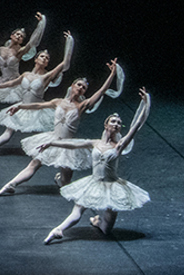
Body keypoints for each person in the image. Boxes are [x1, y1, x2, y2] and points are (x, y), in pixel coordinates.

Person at [0, 59, 123, 195]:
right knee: (34, 164)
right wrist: (20, 106)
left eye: (84, 88)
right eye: (79, 85)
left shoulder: (81, 106)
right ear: (72, 86)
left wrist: (112, 74)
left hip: (67, 145)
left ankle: (60, 180)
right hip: (52, 138)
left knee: (65, 182)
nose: (80, 88)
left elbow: (101, 91)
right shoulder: (58, 102)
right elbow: (38, 105)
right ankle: (11, 185)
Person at [42, 88, 151, 244]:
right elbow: (74, 144)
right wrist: (52, 143)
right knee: (77, 211)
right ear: (106, 125)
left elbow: (136, 126)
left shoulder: (119, 146)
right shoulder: (96, 143)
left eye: (119, 123)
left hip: (112, 186)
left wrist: (145, 104)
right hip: (93, 183)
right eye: (113, 121)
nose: (116, 124)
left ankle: (97, 221)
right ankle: (58, 229)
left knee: (106, 230)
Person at [0, 32, 73, 157]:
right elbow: (12, 83)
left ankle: (56, 151)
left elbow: (65, 63)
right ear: (36, 59)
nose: (44, 58)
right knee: (8, 132)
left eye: (47, 58)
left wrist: (69, 43)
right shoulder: (26, 74)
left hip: (37, 108)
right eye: (42, 56)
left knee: (46, 133)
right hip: (22, 107)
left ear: (47, 63)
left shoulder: (47, 76)